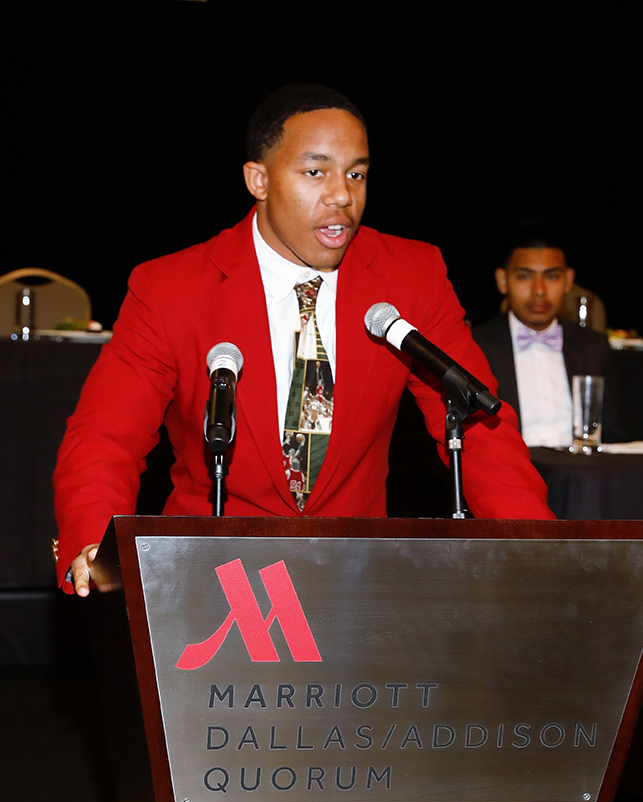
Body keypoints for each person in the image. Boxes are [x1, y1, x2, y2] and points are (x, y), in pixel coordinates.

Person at [54, 84, 554, 596]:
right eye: (316, 172)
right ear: (259, 180)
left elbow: (477, 424)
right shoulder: (171, 288)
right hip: (207, 587)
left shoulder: (411, 277)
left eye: (356, 173)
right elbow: (106, 433)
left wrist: (540, 547)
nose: (342, 194)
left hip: (356, 588)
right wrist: (92, 538)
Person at [472, 221, 618, 448]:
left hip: (580, 477)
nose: (539, 290)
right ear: (502, 280)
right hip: (509, 476)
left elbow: (613, 434)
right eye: (524, 276)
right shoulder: (475, 345)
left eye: (551, 277)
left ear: (568, 280)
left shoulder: (594, 347)